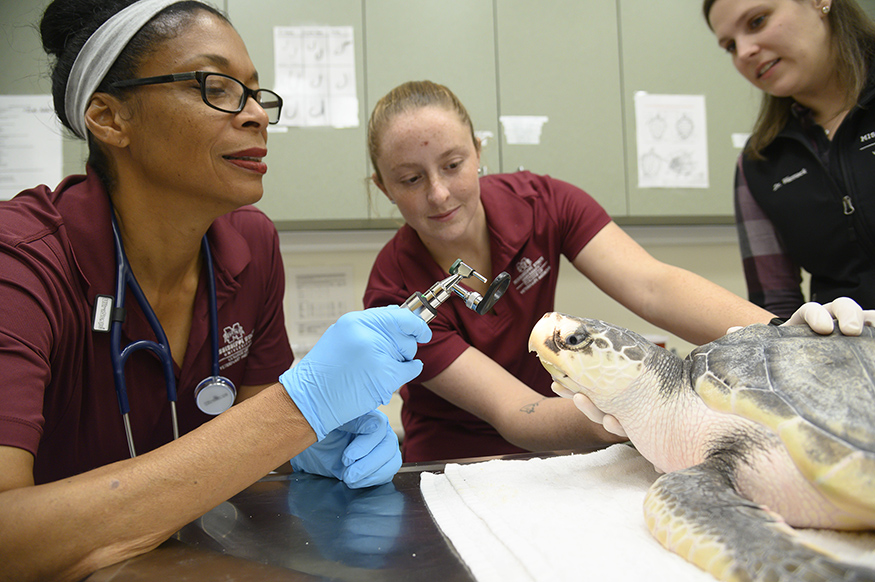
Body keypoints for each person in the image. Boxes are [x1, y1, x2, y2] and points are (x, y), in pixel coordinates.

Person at [0, 2, 431, 581]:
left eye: (256, 94)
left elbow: (249, 431)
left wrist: (309, 444)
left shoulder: (250, 246)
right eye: (217, 86)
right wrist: (297, 409)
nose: (255, 115)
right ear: (109, 118)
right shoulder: (22, 262)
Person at [363, 80, 873, 462]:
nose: (439, 193)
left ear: (479, 152)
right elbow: (517, 413)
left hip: (562, 452)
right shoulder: (395, 297)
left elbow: (653, 286)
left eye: (453, 164)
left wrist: (792, 348)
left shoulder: (545, 202)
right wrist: (648, 408)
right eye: (410, 179)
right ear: (383, 188)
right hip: (457, 465)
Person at [704, 0, 875, 318]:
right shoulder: (759, 163)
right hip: (846, 361)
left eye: (757, 21)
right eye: (729, 46)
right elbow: (774, 307)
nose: (743, 53)